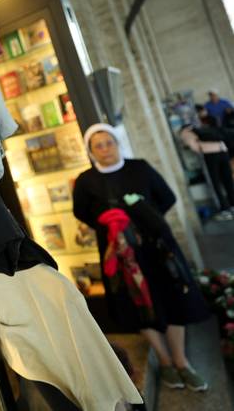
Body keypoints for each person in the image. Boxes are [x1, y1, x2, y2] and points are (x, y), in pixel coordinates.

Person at [73, 123, 211, 392]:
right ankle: (164, 361)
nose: (105, 149)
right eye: (97, 145)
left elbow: (167, 198)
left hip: (156, 248)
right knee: (136, 306)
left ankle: (182, 363)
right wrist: (112, 225)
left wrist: (142, 216)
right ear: (90, 151)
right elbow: (82, 212)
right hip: (121, 257)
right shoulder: (86, 181)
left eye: (109, 142)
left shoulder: (140, 168)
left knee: (173, 299)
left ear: (117, 143)